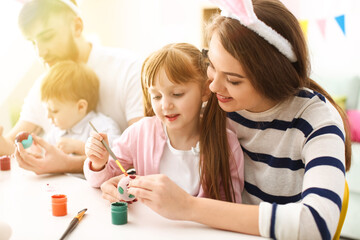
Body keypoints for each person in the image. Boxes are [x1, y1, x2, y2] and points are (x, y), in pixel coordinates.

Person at [101, 0, 351, 239]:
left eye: (233, 80)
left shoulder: (317, 122)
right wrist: (115, 173)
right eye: (211, 66)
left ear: (272, 77)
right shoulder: (219, 106)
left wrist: (189, 207)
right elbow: (155, 143)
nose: (213, 85)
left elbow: (316, 224)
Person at [84, 43, 244, 203]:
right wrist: (98, 163)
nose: (165, 105)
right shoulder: (139, 133)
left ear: (205, 91)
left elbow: (230, 207)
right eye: (156, 96)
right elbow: (101, 179)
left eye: (177, 94)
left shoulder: (226, 144)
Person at [4, 0, 143, 174]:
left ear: (77, 27)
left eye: (47, 37)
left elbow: (140, 154)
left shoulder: (129, 69)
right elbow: (10, 145)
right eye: (33, 43)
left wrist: (69, 163)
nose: (40, 53)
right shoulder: (45, 84)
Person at [40, 60, 120, 154]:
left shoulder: (102, 126)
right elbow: (44, 155)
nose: (48, 116)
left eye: (54, 110)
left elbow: (116, 155)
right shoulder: (56, 133)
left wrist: (80, 147)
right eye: (46, 110)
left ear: (81, 107)